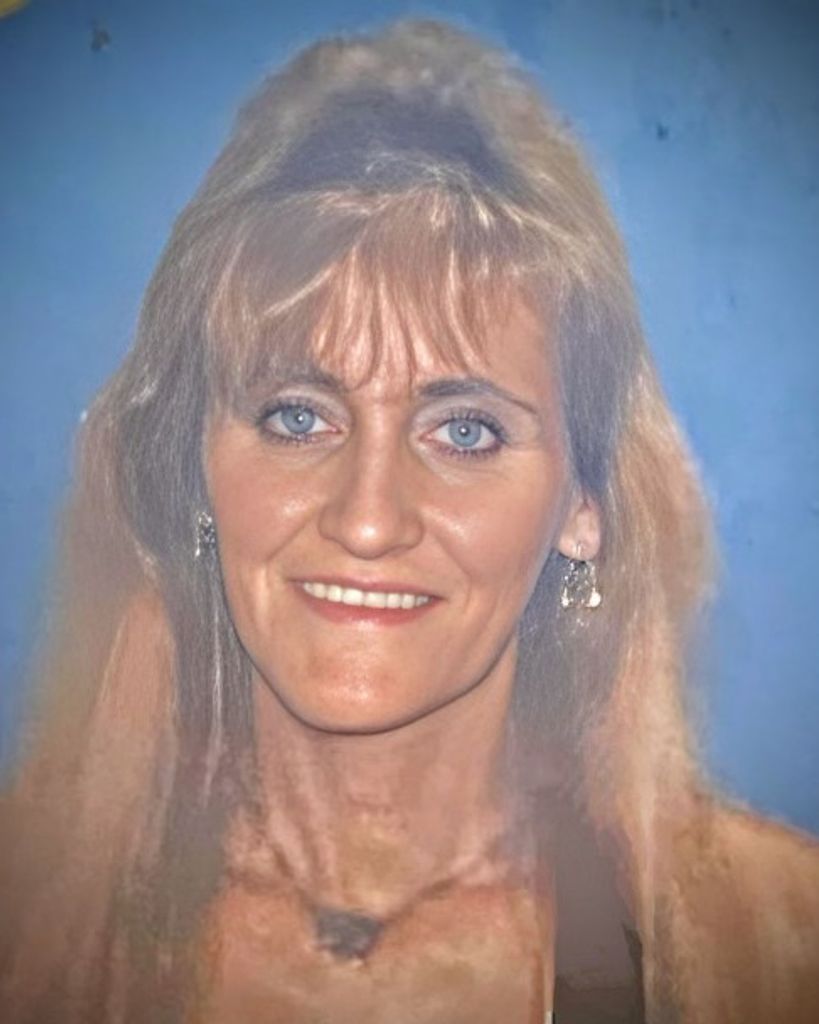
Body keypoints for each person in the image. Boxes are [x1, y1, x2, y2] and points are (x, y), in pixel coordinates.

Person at [1, 18, 817, 1024]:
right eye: (297, 416)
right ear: (191, 470)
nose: (368, 520)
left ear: (585, 505)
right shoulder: (21, 913)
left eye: (464, 432)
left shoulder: (779, 943)